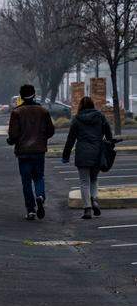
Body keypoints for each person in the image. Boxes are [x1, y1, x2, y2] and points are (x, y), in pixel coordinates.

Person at [7, 84, 55, 220]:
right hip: (39, 150)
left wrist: (11, 141)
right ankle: (40, 196)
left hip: (23, 151)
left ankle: (31, 210)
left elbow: (13, 134)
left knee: (26, 181)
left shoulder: (16, 112)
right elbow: (50, 130)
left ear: (21, 96)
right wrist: (42, 138)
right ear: (34, 94)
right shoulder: (43, 111)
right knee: (39, 177)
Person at [62, 96, 113, 220]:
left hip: (82, 153)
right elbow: (108, 133)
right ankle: (94, 200)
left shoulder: (77, 119)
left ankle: (87, 209)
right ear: (92, 105)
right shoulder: (100, 116)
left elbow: (71, 139)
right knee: (94, 179)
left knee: (84, 182)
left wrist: (66, 155)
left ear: (81, 106)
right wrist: (109, 144)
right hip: (97, 152)